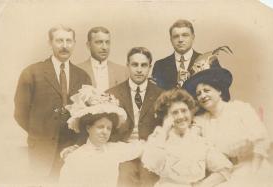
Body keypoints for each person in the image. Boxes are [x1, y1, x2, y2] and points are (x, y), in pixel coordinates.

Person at [61, 47, 163, 187]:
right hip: (120, 151)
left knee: (153, 180)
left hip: (151, 151)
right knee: (123, 178)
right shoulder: (111, 94)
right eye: (134, 64)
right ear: (127, 66)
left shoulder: (161, 95)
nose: (139, 70)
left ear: (150, 67)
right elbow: (94, 121)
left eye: (144, 65)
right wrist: (78, 145)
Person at [14, 25, 92, 181]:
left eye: (69, 41)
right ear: (50, 43)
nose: (64, 46)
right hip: (42, 149)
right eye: (59, 41)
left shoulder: (83, 76)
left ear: (74, 43)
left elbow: (88, 115)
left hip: (71, 148)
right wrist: (40, 133)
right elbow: (20, 113)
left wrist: (78, 143)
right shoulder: (32, 72)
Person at [183, 51, 271, 186]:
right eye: (198, 93)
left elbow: (261, 140)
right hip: (223, 174)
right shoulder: (201, 121)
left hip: (251, 167)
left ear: (219, 90)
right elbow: (192, 145)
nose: (202, 96)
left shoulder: (240, 109)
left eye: (207, 90)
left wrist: (253, 173)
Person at [142, 89, 233, 187]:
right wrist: (164, 131)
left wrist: (202, 185)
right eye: (175, 113)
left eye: (184, 111)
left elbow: (225, 168)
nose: (181, 116)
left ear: (190, 113)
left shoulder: (200, 142)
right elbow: (153, 163)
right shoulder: (159, 139)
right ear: (166, 117)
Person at [59, 85, 144, 187]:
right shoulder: (75, 157)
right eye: (100, 127)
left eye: (108, 128)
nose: (105, 132)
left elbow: (140, 148)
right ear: (88, 128)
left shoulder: (114, 150)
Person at [152, 19, 220, 90]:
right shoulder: (160, 66)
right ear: (171, 40)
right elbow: (156, 96)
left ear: (193, 37)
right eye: (176, 36)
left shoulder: (208, 60)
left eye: (185, 35)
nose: (180, 40)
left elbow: (221, 91)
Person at [77, 26, 128, 92]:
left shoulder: (123, 71)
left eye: (107, 42)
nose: (104, 47)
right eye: (99, 42)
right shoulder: (77, 71)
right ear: (88, 45)